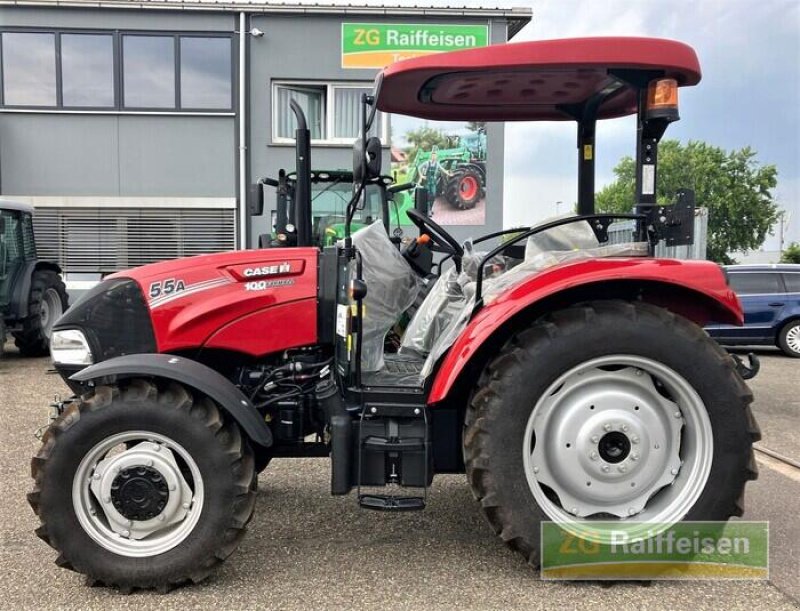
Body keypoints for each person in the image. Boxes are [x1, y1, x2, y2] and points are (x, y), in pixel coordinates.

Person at [416, 147, 451, 217]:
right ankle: (428, 210)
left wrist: (448, 173)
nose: (434, 157)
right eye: (433, 155)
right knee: (428, 195)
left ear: (436, 157)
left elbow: (442, 169)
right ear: (431, 156)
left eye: (435, 156)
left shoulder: (437, 164)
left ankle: (430, 209)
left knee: (434, 195)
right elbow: (419, 167)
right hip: (427, 182)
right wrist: (421, 176)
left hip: (433, 182)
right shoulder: (427, 163)